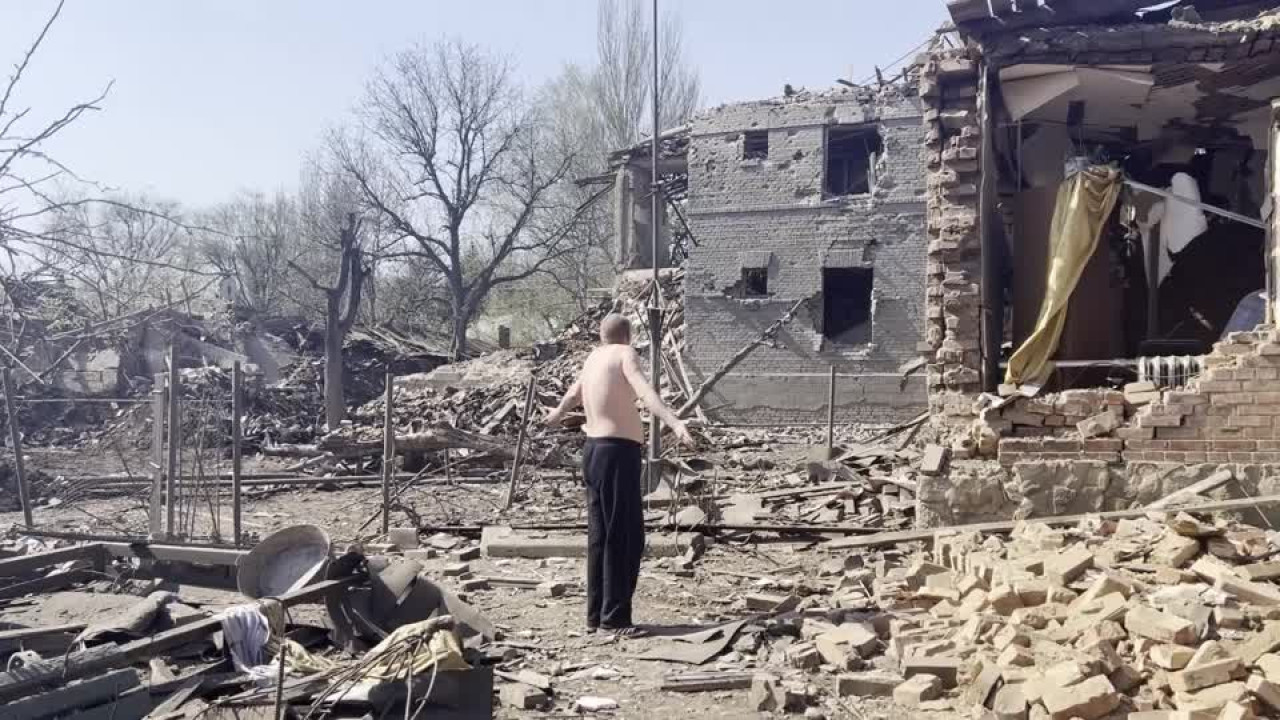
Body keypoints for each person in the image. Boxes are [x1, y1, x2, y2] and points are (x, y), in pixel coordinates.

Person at [545, 313, 693, 636]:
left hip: (593, 452)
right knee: (625, 536)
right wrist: (674, 422)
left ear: (602, 335)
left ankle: (596, 616)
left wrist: (556, 414)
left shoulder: (593, 358)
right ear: (628, 335)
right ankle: (615, 619)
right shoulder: (625, 354)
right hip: (617, 453)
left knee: (600, 535)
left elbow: (572, 396)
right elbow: (644, 391)